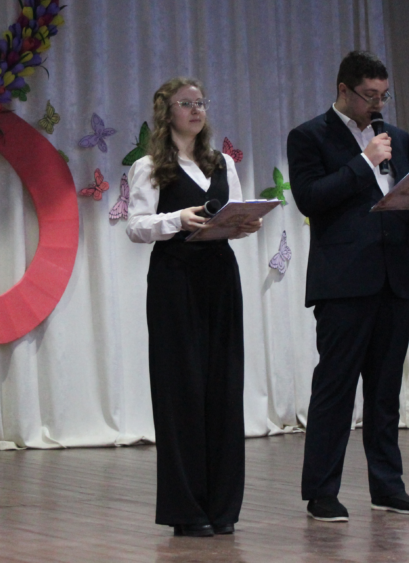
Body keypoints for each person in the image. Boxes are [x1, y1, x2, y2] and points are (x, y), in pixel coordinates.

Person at [286, 51, 409, 523]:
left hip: (394, 277)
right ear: (343, 90)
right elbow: (310, 199)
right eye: (369, 95)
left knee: (384, 390)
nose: (377, 105)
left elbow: (406, 201)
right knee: (335, 388)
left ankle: (388, 487)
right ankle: (321, 492)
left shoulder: (398, 138)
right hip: (343, 281)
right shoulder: (309, 136)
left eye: (383, 96)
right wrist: (362, 161)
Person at [126, 77, 262, 537]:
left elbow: (235, 209)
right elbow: (135, 226)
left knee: (224, 386)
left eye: (201, 102)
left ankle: (223, 507)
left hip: (219, 277)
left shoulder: (222, 162)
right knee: (180, 389)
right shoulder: (148, 167)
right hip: (175, 279)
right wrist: (176, 219)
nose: (196, 109)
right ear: (167, 112)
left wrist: (243, 223)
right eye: (186, 103)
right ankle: (186, 511)